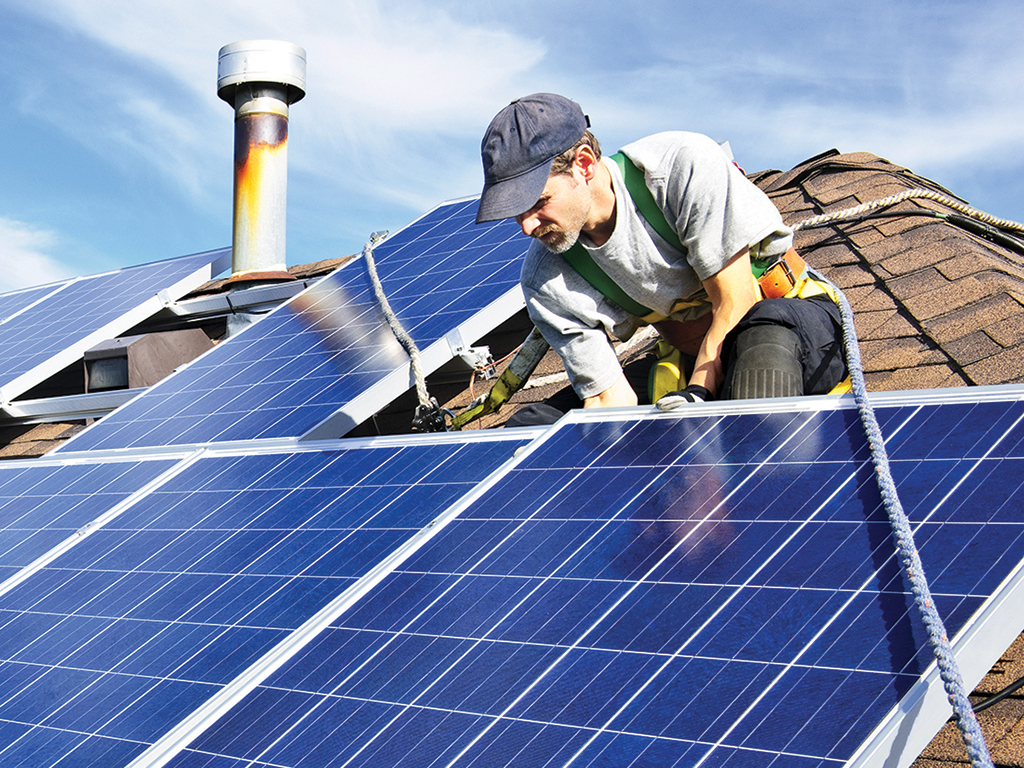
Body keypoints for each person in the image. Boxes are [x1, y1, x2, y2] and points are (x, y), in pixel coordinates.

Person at [475, 93, 846, 424]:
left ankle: (763, 491)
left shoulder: (679, 168)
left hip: (789, 325)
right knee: (543, 425)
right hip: (687, 358)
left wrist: (699, 398)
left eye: (538, 203)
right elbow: (607, 399)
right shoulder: (546, 279)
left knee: (761, 342)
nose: (526, 227)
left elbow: (736, 302)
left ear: (584, 165)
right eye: (515, 212)